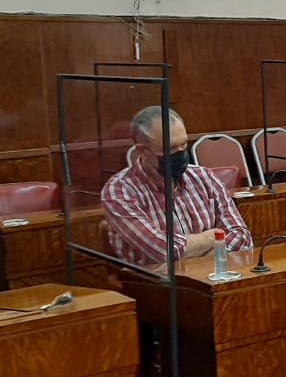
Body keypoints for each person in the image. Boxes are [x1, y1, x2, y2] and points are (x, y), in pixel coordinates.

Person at [101, 106, 252, 267]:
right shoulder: (119, 191)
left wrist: (198, 261)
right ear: (143, 151)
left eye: (183, 145)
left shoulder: (204, 177)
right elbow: (164, 251)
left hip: (212, 274)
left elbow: (242, 237)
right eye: (171, 148)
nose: (180, 153)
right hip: (153, 280)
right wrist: (214, 236)